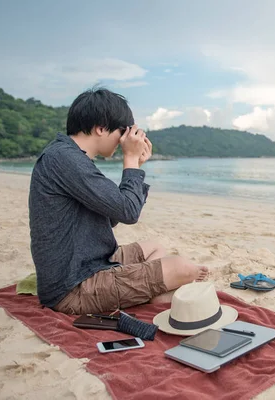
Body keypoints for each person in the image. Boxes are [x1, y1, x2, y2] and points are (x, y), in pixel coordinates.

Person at [28, 88, 208, 315]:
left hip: (92, 261)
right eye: (122, 133)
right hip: (72, 288)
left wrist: (136, 165)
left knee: (156, 246)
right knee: (182, 268)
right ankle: (153, 294)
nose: (124, 140)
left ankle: (147, 291)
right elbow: (128, 212)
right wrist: (130, 159)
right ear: (101, 128)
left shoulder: (72, 158)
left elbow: (112, 216)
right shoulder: (64, 159)